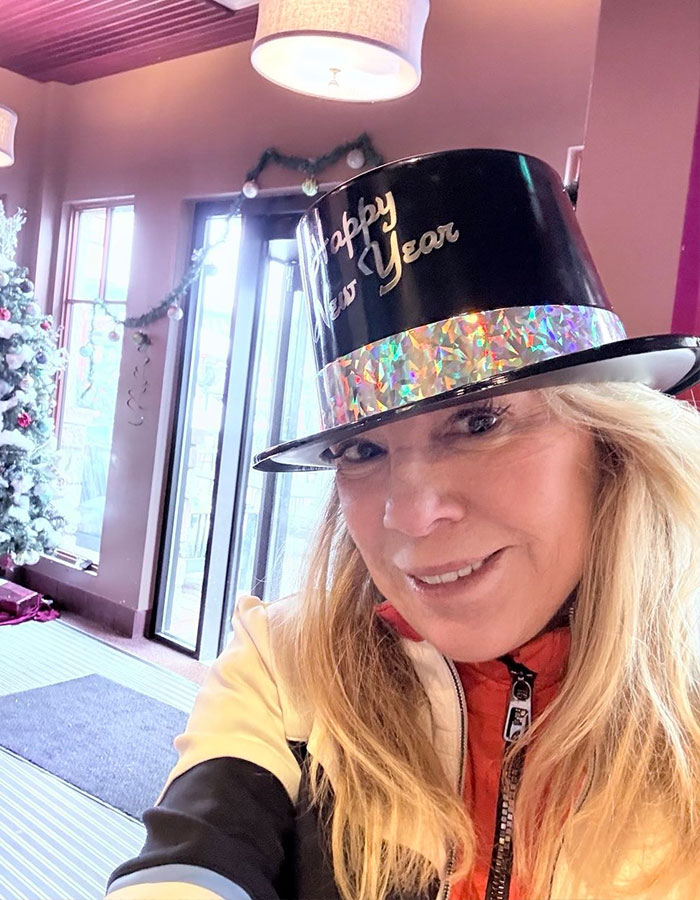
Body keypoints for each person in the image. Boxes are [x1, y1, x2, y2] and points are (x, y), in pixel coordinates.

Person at [105, 149, 700, 900]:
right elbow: (188, 862)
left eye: (480, 421)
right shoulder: (287, 667)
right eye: (362, 449)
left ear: (608, 440)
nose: (410, 516)